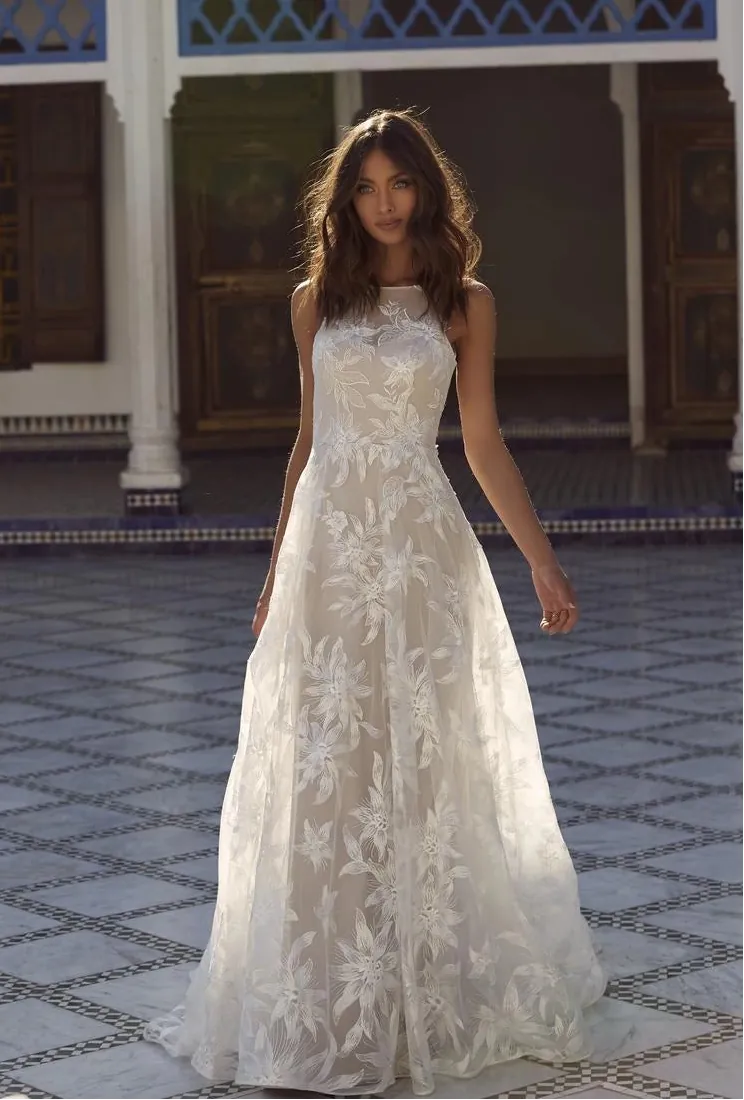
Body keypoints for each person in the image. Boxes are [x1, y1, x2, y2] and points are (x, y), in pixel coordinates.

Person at [144, 107, 606, 1095]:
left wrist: (542, 560)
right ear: (347, 198)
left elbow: (480, 441)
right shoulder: (316, 300)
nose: (386, 203)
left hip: (422, 549)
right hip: (327, 551)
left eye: (401, 184)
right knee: (328, 767)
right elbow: (308, 444)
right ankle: (323, 991)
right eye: (367, 186)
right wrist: (276, 570)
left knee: (428, 756)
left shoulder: (464, 301)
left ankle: (425, 981)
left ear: (425, 191)